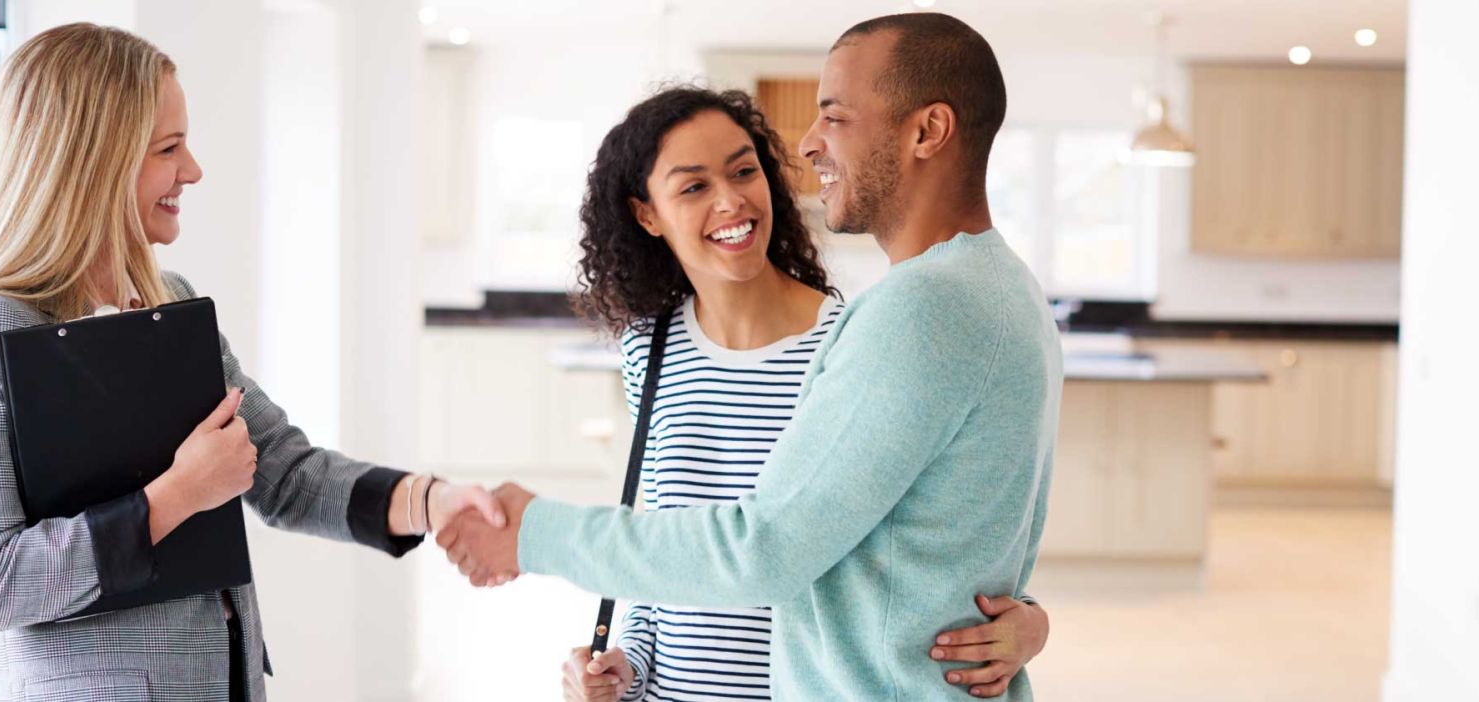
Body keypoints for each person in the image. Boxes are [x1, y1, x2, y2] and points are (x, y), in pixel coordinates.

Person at [443, 12, 1062, 701]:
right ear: (645, 213)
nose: (808, 142)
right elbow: (948, 531)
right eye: (692, 185)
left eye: (836, 116)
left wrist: (537, 531)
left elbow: (763, 550)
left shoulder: (915, 312)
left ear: (927, 131)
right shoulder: (1000, 288)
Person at [0, 23, 502, 702]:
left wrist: (429, 500)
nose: (193, 170)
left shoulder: (169, 301)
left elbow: (286, 473)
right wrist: (173, 498)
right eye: (168, 148)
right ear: (94, 161)